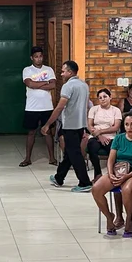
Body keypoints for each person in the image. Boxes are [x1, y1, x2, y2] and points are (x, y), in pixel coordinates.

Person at [92, 112, 132, 238]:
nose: (129, 127)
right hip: (117, 171)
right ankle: (110, 216)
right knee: (96, 188)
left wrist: (127, 176)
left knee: (127, 189)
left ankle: (129, 219)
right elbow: (111, 159)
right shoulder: (119, 138)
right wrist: (110, 173)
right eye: (126, 124)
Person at [44, 61, 93, 192]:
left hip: (70, 125)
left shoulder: (68, 86)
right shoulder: (84, 85)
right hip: (80, 124)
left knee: (74, 154)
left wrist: (48, 124)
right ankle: (59, 178)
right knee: (69, 153)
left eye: (63, 71)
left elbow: (60, 107)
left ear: (70, 72)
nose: (61, 74)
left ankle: (84, 182)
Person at [20, 46, 59, 167]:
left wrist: (36, 85)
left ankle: (52, 158)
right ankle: (27, 158)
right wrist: (45, 83)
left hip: (47, 107)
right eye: (36, 57)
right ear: (32, 58)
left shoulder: (49, 70)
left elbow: (53, 85)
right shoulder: (27, 70)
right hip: (32, 107)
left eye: (40, 56)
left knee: (48, 132)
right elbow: (29, 83)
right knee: (31, 133)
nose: (39, 59)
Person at [87, 89, 123, 180]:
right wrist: (99, 136)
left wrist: (101, 131)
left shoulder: (116, 110)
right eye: (100, 98)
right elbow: (90, 126)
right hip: (95, 136)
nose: (102, 99)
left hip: (111, 137)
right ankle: (98, 174)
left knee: (113, 151)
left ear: (110, 97)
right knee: (92, 147)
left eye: (105, 97)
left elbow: (116, 127)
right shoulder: (94, 109)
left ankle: (111, 174)